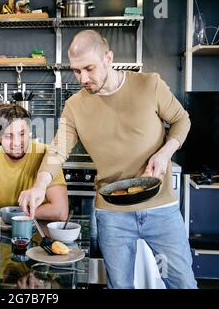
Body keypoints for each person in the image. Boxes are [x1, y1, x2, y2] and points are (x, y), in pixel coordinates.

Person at [18, 30, 197, 289]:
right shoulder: (75, 106)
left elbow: (182, 119)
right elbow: (58, 150)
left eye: (89, 68)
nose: (83, 78)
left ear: (108, 58)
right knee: (119, 286)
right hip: (112, 213)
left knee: (182, 283)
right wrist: (39, 185)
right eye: (77, 71)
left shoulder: (149, 85)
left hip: (160, 207)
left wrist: (165, 151)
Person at [0, 104, 68, 222]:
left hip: (40, 232)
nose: (17, 143)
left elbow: (60, 211)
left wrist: (12, 216)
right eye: (9, 136)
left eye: (22, 134)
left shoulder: (47, 155)